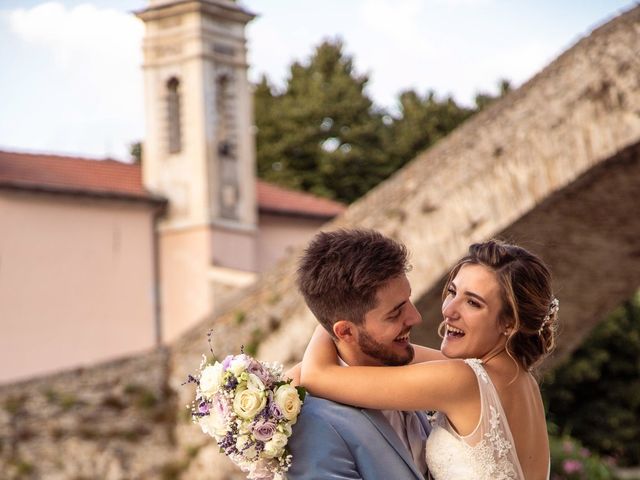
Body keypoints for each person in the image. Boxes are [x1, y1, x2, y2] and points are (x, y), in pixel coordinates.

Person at [300, 239, 558, 480]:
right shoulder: (518, 378)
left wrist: (330, 319)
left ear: (510, 323)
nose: (448, 310)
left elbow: (317, 376)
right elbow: (384, 350)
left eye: (473, 303)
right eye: (453, 292)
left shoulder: (462, 380)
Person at [287, 229, 443, 480]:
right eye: (395, 314)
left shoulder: (403, 369)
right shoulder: (316, 424)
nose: (416, 317)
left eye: (409, 300)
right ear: (346, 331)